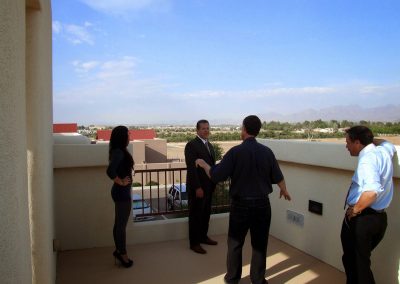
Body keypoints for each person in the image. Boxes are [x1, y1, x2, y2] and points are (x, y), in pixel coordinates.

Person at [196, 115, 291, 284]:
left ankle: (232, 279)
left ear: (244, 129)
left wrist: (204, 165)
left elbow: (216, 175)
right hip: (262, 204)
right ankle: (258, 279)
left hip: (241, 206)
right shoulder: (267, 152)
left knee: (235, 243)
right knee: (260, 244)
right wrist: (284, 190)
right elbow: (278, 177)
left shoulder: (236, 152)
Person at [341, 126, 396, 284]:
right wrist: (368, 138)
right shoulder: (383, 151)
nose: (346, 146)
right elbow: (387, 143)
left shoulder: (367, 159)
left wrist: (355, 210)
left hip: (363, 219)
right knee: (359, 262)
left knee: (357, 266)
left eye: (348, 142)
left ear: (357, 142)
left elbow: (371, 192)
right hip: (379, 219)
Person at [184, 119, 218, 254]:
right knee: (195, 215)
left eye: (207, 128)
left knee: (205, 214)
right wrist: (197, 187)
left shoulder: (209, 145)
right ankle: (194, 243)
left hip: (209, 186)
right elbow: (191, 169)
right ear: (197, 130)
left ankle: (203, 237)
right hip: (198, 188)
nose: (206, 130)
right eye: (203, 128)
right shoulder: (191, 145)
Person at [107, 126, 134, 268]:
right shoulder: (119, 152)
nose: (130, 136)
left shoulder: (119, 150)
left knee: (118, 224)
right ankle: (123, 255)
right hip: (121, 192)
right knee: (121, 226)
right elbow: (110, 171)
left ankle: (118, 250)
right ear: (122, 137)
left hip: (119, 191)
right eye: (128, 134)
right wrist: (121, 181)